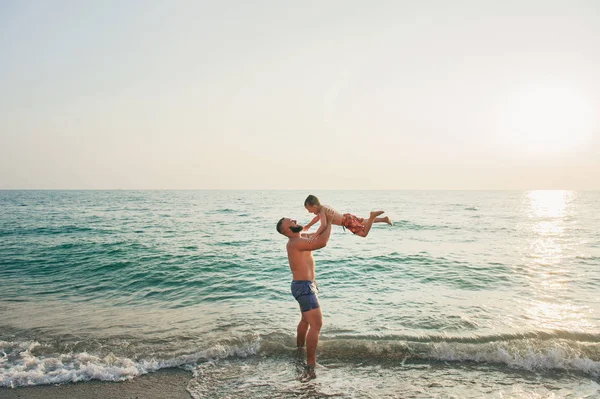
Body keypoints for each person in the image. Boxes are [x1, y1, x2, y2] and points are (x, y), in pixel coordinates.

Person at [276, 215, 333, 380]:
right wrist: (328, 221)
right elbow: (322, 242)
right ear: (287, 230)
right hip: (304, 287)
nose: (294, 220)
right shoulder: (295, 243)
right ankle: (311, 363)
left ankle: (299, 349)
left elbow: (318, 235)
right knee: (317, 324)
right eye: (290, 222)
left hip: (305, 285)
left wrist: (325, 221)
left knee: (306, 321)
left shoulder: (300, 238)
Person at [303, 194, 392, 239]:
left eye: (309, 209)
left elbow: (323, 225)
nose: (309, 212)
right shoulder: (324, 207)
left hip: (346, 222)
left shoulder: (322, 212)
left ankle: (372, 216)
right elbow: (316, 218)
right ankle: (384, 219)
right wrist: (309, 225)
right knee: (365, 221)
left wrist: (315, 235)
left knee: (364, 234)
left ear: (314, 206)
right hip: (347, 216)